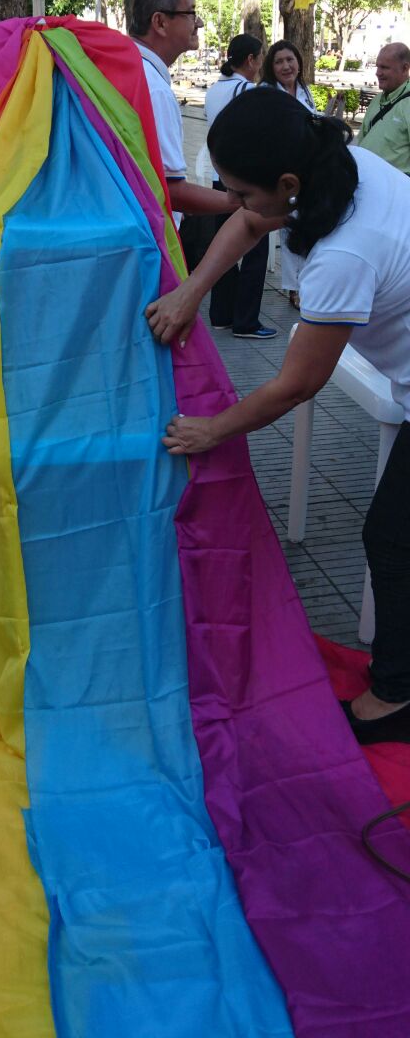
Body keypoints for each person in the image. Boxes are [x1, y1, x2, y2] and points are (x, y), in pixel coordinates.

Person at [148, 86, 410, 746]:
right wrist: (190, 291)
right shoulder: (333, 167)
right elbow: (251, 221)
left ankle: (396, 695)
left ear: (287, 184)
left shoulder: (346, 252)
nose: (234, 203)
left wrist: (212, 429)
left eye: (241, 190)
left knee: (392, 537)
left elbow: (297, 385)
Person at [129, 0, 240, 232]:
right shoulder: (154, 89)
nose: (198, 22)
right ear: (160, 22)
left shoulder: (132, 69)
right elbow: (171, 191)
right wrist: (241, 202)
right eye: (190, 13)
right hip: (148, 236)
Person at [203, 33, 276, 340]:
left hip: (219, 178)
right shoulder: (247, 90)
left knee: (224, 248)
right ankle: (246, 322)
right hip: (247, 182)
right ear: (250, 60)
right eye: (261, 57)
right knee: (255, 249)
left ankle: (221, 314)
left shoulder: (214, 90)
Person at [261, 40, 317, 308]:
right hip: (282, 172)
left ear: (299, 62)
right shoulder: (266, 93)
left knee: (308, 227)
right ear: (271, 67)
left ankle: (308, 283)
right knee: (290, 228)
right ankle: (295, 288)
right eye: (279, 62)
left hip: (308, 170)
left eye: (290, 60)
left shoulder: (304, 90)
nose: (286, 66)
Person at [356, 42, 410, 174]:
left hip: (396, 184)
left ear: (405, 68)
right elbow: (362, 138)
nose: (378, 73)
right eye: (377, 66)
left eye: (384, 67)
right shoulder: (376, 100)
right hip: (365, 178)